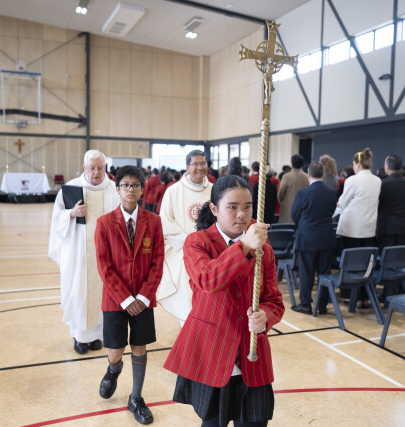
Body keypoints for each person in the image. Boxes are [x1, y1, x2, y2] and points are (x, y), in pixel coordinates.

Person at [164, 175, 284, 427]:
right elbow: (207, 279)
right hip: (213, 353)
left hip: (252, 355)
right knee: (212, 423)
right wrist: (243, 246)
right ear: (214, 209)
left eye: (247, 207)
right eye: (232, 207)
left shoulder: (264, 250)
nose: (241, 214)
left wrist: (265, 316)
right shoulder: (198, 242)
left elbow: (274, 300)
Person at [95, 166, 164, 425]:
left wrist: (143, 297)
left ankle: (136, 398)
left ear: (142, 190)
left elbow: (157, 262)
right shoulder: (104, 223)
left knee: (139, 347)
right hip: (115, 298)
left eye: (135, 185)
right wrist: (126, 299)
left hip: (143, 299)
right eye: (125, 185)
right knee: (116, 350)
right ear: (117, 189)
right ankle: (113, 369)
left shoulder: (153, 221)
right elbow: (104, 266)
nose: (130, 189)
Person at [48, 150, 121, 354]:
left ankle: (97, 335)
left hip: (107, 254)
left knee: (104, 294)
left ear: (105, 168)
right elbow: (56, 218)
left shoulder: (114, 190)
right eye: (92, 168)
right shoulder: (72, 188)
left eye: (100, 168)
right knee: (79, 291)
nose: (96, 172)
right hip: (79, 253)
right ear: (84, 168)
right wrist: (71, 214)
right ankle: (80, 337)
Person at [157, 150, 213, 323]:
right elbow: (165, 221)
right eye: (195, 164)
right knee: (187, 297)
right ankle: (189, 328)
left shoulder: (215, 190)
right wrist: (191, 241)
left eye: (203, 163)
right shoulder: (173, 191)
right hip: (184, 251)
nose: (200, 167)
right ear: (187, 166)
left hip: (211, 251)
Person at [335, 148, 381, 305]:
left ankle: (351, 297)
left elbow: (342, 203)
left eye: (354, 164)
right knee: (365, 265)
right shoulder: (377, 180)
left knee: (350, 264)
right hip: (369, 228)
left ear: (358, 164)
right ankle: (364, 297)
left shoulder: (352, 180)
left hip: (351, 229)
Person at [291, 162, 337, 315]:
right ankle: (322, 305)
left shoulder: (303, 193)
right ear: (323, 174)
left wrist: (304, 224)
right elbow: (332, 211)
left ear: (309, 175)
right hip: (326, 237)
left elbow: (294, 214)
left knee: (306, 272)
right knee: (324, 273)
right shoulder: (332, 192)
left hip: (307, 238)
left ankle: (306, 304)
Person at [376, 154, 405, 250]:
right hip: (403, 227)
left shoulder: (383, 184)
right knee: (401, 257)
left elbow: (378, 206)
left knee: (385, 257)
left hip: (385, 228)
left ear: (388, 167)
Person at [278, 154, 308, 224]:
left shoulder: (286, 176)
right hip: (302, 208)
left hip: (288, 208)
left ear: (291, 164)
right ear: (302, 164)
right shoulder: (307, 177)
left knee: (286, 228)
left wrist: (283, 202)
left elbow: (280, 194)